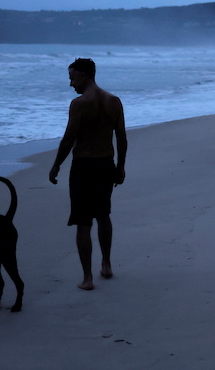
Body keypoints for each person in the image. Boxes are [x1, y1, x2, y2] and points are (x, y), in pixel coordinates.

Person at [49, 58, 127, 290]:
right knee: (103, 215)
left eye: (72, 78)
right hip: (106, 164)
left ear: (83, 76)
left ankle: (87, 278)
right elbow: (121, 138)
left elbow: (68, 139)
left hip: (83, 167)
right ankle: (106, 264)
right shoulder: (114, 101)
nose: (71, 84)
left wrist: (56, 165)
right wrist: (120, 167)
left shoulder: (79, 104)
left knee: (83, 222)